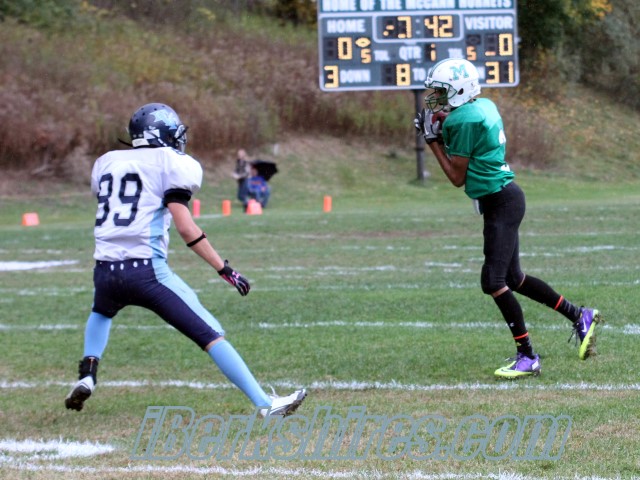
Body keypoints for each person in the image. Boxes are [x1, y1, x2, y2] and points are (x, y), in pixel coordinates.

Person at [65, 103, 306, 415]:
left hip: (105, 271)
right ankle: (265, 404)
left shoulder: (107, 162)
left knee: (101, 312)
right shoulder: (171, 163)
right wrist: (224, 269)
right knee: (210, 333)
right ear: (164, 133)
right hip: (146, 272)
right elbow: (185, 227)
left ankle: (87, 375)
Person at [414, 59, 603, 379]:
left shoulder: (461, 119)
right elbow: (471, 133)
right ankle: (578, 315)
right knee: (513, 278)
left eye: (442, 91)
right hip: (505, 198)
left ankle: (527, 356)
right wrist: (444, 126)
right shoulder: (483, 105)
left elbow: (456, 177)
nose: (437, 98)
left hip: (501, 202)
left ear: (459, 91)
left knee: (493, 281)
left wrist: (432, 141)